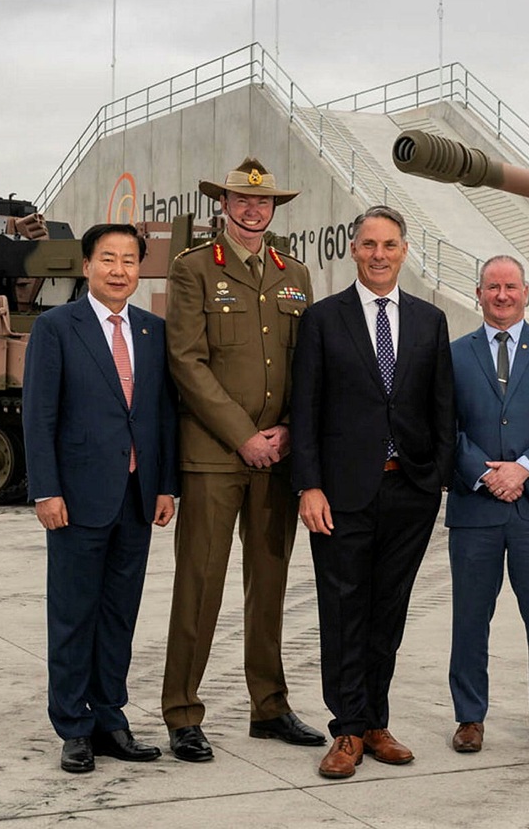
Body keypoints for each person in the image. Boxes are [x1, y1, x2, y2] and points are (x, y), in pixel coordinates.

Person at [160, 158, 324, 762]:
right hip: (214, 456)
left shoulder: (295, 274)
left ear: (274, 209)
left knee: (271, 585)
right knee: (199, 585)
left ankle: (270, 706)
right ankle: (181, 711)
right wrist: (242, 435)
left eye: (264, 202)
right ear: (224, 204)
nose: (253, 210)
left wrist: (285, 431)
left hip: (277, 457)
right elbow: (186, 360)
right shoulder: (194, 269)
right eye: (242, 200)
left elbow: (308, 364)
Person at [290, 204, 455, 779]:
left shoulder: (430, 321)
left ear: (404, 250)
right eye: (368, 245)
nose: (379, 254)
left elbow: (442, 408)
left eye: (389, 245)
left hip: (408, 490)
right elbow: (304, 411)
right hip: (340, 494)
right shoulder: (322, 320)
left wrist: (435, 478)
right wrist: (309, 485)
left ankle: (375, 721)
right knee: (343, 610)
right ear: (353, 250)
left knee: (389, 611)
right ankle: (346, 730)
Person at [22, 222, 178, 775]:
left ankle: (111, 718)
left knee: (118, 615)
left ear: (141, 268)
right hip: (76, 498)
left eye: (130, 260)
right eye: (108, 259)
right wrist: (45, 488)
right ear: (86, 265)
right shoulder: (56, 328)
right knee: (72, 615)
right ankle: (73, 726)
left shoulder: (153, 332)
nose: (119, 270)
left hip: (136, 498)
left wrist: (165, 484)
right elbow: (38, 416)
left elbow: (161, 415)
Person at [446, 256, 529, 757]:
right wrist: (485, 472)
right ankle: (469, 717)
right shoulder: (454, 354)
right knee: (469, 617)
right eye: (491, 287)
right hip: (476, 508)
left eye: (510, 287)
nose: (501, 295)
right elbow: (446, 428)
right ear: (478, 293)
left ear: (527, 293)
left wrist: (522, 468)